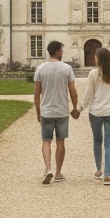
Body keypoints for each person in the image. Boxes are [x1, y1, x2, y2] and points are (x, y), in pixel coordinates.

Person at [34, 40, 80, 184]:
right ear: (58, 52)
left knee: (46, 141)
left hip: (47, 111)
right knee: (61, 141)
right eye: (62, 50)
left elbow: (36, 94)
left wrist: (38, 112)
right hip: (61, 111)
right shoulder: (67, 68)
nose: (63, 52)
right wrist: (74, 107)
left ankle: (48, 169)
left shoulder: (41, 68)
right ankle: (58, 172)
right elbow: (73, 91)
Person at [82, 47, 110, 186]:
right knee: (109, 144)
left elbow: (88, 95)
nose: (94, 59)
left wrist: (80, 108)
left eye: (96, 56)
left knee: (97, 141)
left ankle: (99, 170)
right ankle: (107, 175)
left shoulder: (93, 73)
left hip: (96, 112)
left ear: (99, 59)